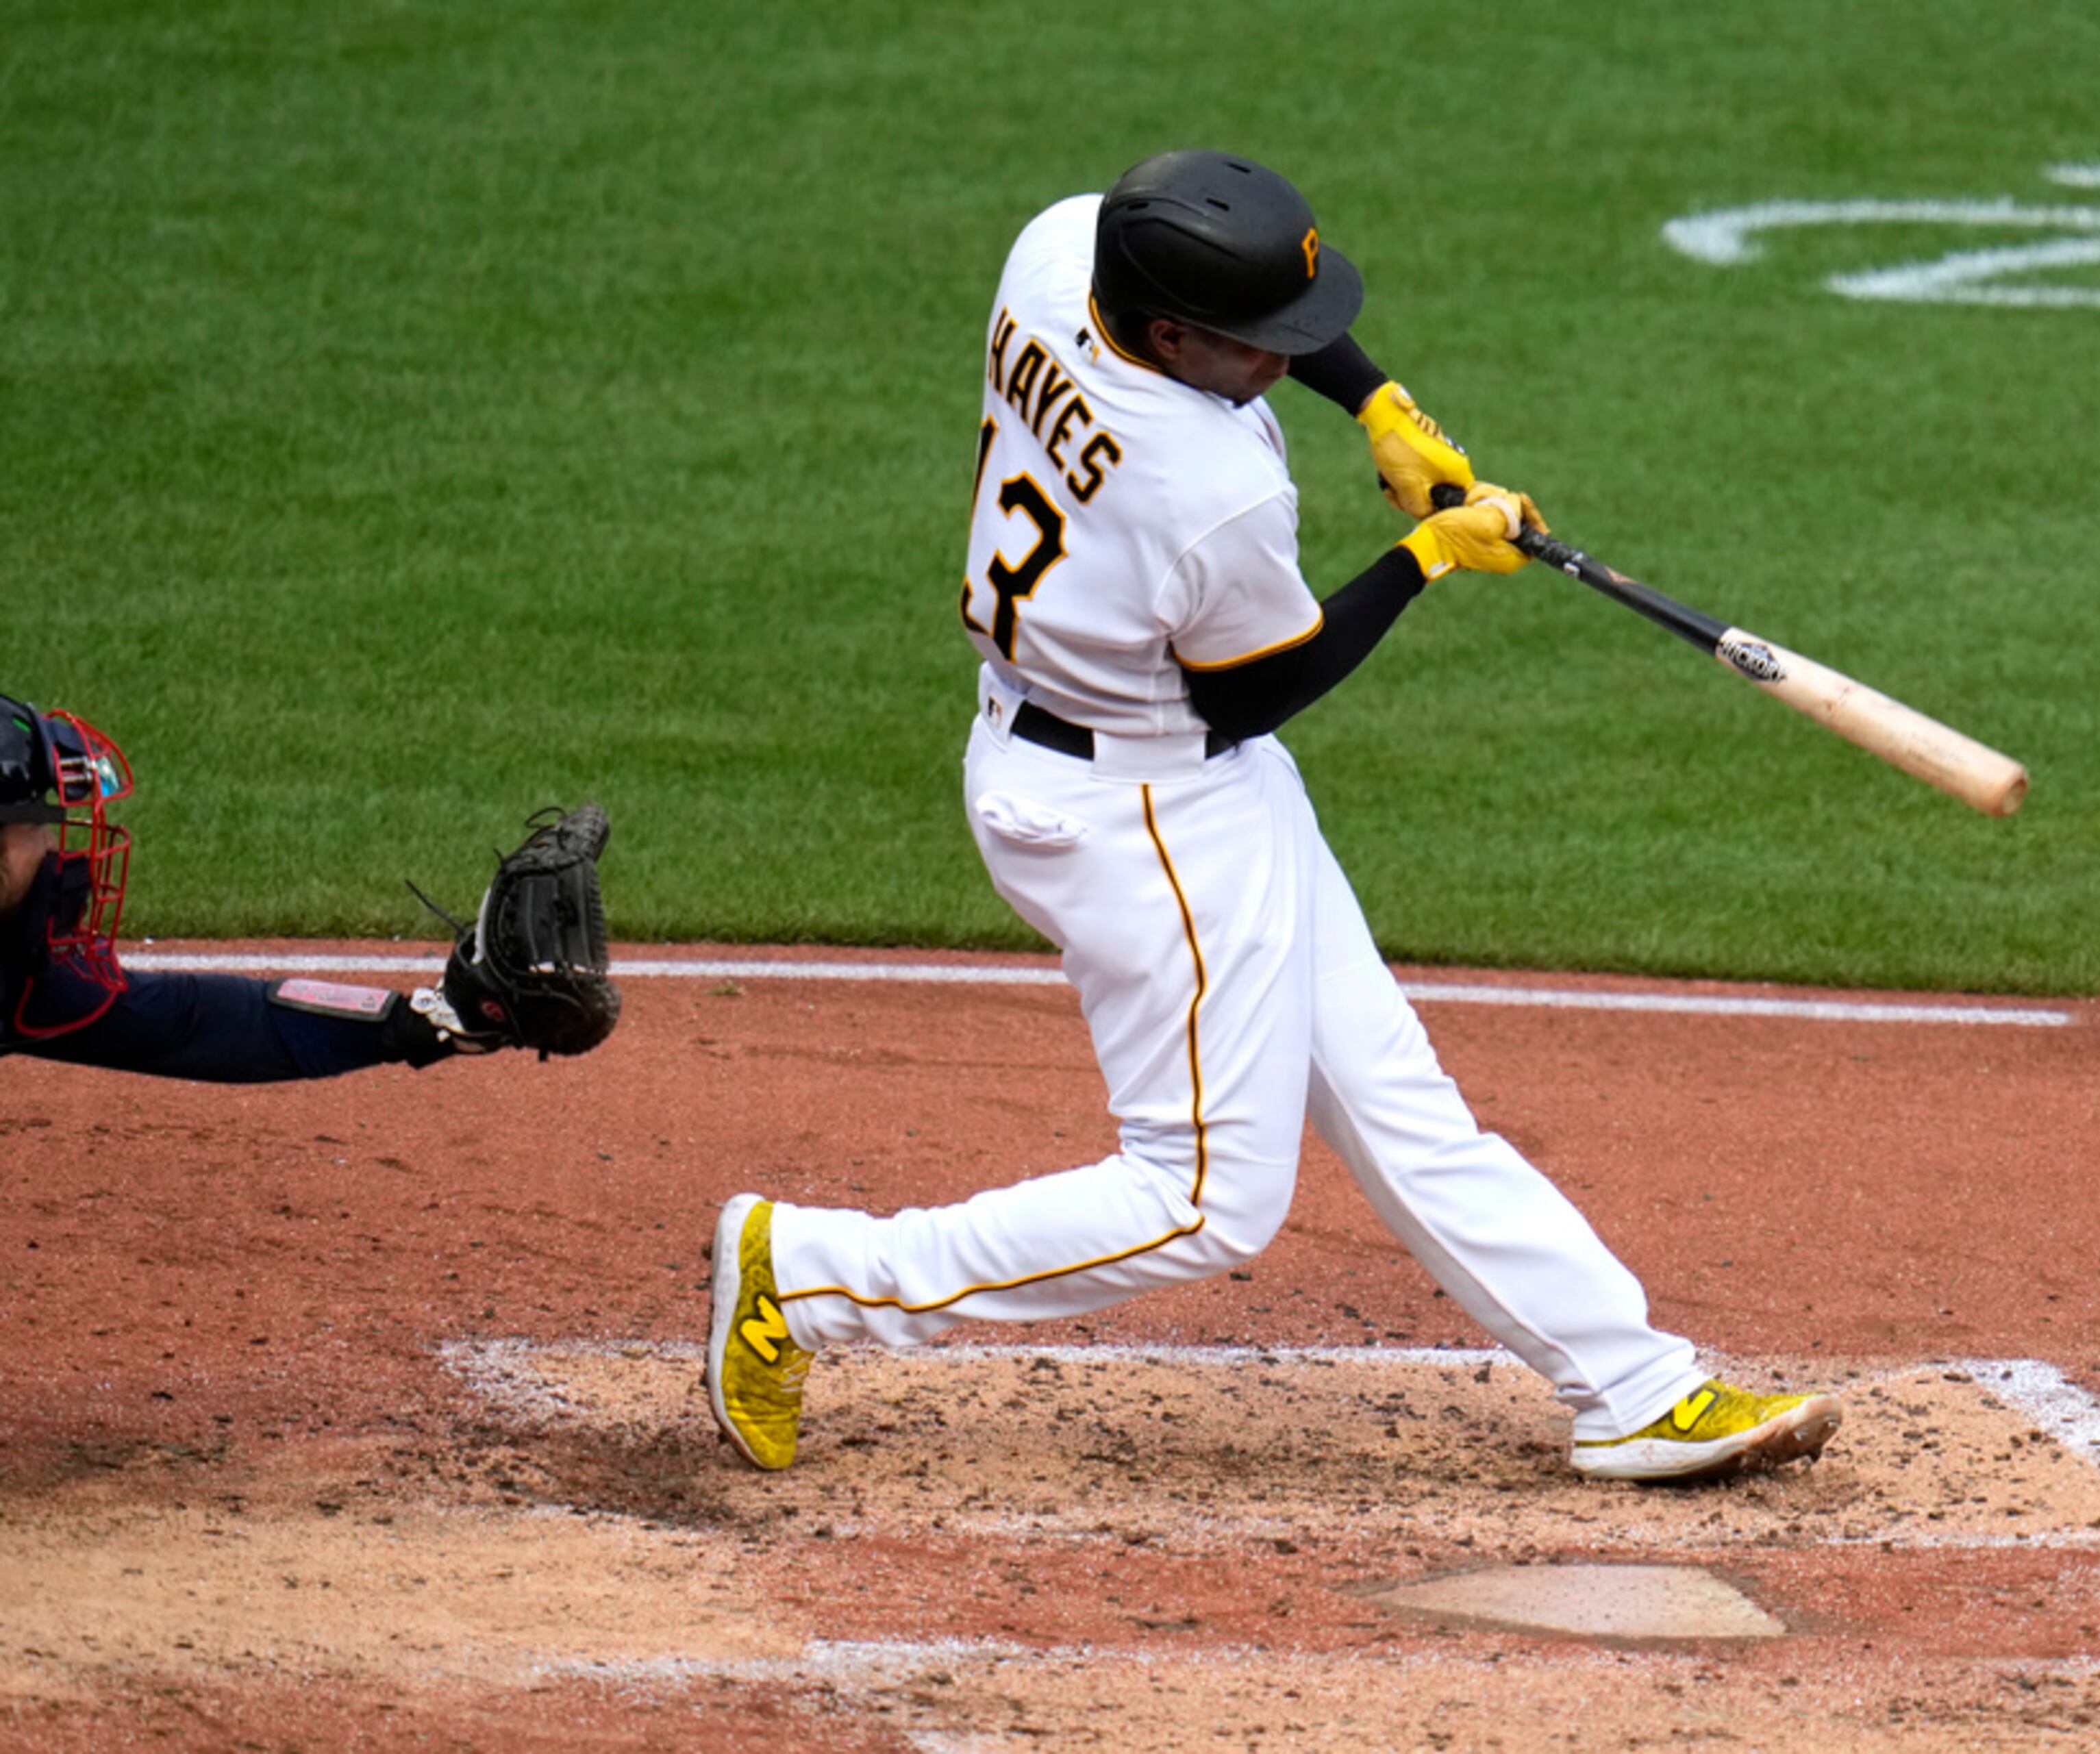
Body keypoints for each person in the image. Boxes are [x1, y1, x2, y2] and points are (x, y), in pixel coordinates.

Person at [706, 151, 1844, 1483]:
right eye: (1264, 348)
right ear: (1174, 333)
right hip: (1143, 815)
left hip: (1116, 752)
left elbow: (1253, 316)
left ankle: (1632, 1383)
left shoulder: (1066, 247)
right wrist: (1425, 558)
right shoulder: (1206, 489)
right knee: (1203, 1199)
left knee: (1394, 1092)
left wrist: (1377, 401)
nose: (1282, 359)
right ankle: (811, 1276)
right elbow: (1261, 690)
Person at [1, 692, 618, 1080]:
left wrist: (433, 1022)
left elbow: (196, 1023)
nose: (60, 850)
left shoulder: (20, 981)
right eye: (35, 823)